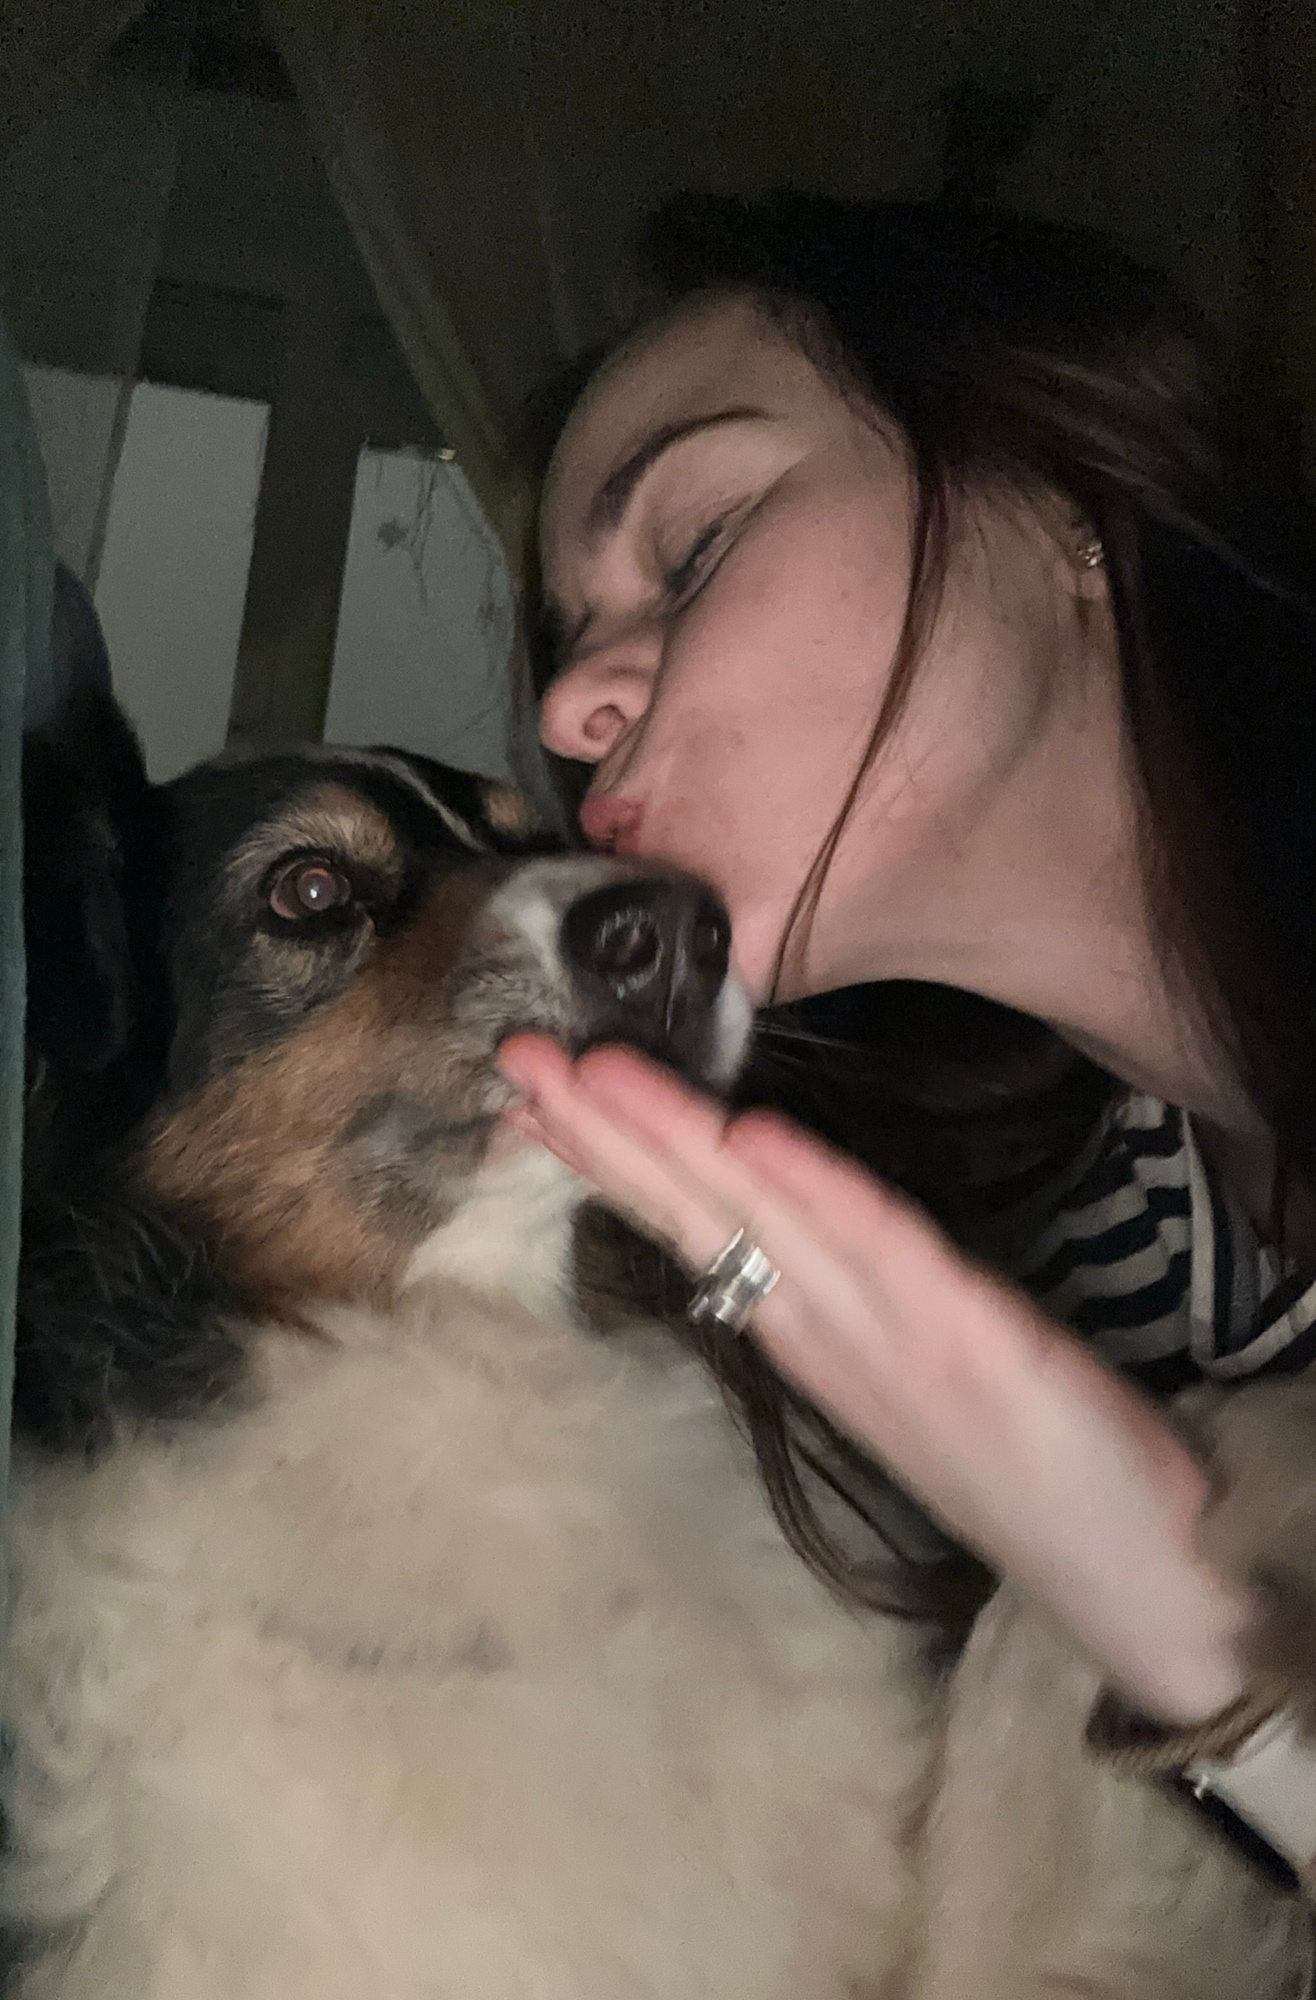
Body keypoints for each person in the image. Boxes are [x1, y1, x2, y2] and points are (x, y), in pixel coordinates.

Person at [495, 191, 1316, 1891]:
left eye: (694, 547)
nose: (574, 715)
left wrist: (1212, 1650)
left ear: (1061, 490)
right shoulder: (1089, 1252)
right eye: (568, 651)